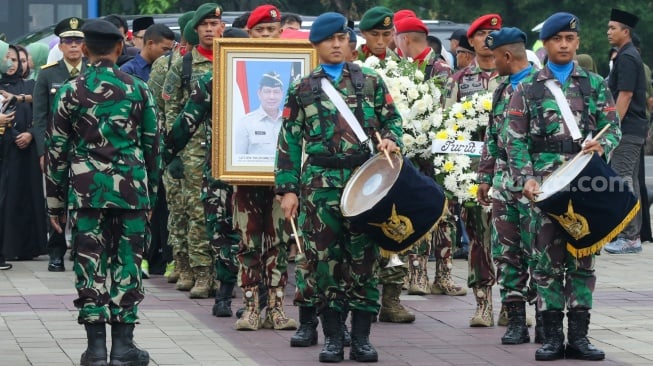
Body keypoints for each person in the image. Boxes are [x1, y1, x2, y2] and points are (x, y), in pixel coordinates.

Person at [276, 12, 402, 363]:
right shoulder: (302, 89)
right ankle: (333, 338)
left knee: (364, 259)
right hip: (319, 185)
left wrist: (392, 139)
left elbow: (393, 119)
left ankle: (361, 339)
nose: (335, 45)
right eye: (327, 40)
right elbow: (288, 142)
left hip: (365, 182)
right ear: (315, 45)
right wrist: (287, 190)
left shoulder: (371, 81)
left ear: (350, 42)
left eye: (340, 39)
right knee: (323, 263)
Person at [45, 19, 161, 366]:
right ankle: (123, 347)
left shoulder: (69, 90)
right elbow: (153, 146)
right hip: (131, 193)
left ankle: (96, 350)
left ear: (85, 48)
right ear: (117, 48)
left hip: (86, 193)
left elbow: (57, 151)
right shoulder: (138, 89)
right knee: (128, 264)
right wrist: (150, 194)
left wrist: (55, 203)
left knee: (90, 264)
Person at [505, 12, 620, 361]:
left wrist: (603, 145)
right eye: (558, 39)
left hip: (584, 181)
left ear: (578, 43)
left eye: (571, 39)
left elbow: (612, 127)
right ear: (548, 44)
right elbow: (515, 140)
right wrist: (526, 177)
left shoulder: (595, 84)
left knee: (583, 260)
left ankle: (580, 337)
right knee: (545, 261)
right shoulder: (527, 88)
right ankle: (552, 336)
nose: (565, 45)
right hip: (543, 187)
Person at [231, 4, 296, 332]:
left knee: (280, 244)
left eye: (272, 31)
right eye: (260, 31)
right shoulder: (244, 118)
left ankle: (277, 308)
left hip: (282, 185)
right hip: (246, 184)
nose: (267, 36)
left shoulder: (296, 83)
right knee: (249, 244)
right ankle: (251, 307)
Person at [393, 16, 465, 299]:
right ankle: (416, 273)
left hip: (439, 156)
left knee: (444, 215)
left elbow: (448, 112)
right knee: (413, 210)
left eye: (396, 37)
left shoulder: (440, 69)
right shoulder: (400, 68)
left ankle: (443, 275)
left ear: (405, 38)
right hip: (412, 154)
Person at [477, 27, 540, 345]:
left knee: (540, 252)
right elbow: (492, 135)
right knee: (507, 253)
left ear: (506, 55)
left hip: (534, 186)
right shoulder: (502, 88)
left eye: (492, 57)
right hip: (504, 182)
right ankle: (516, 320)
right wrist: (485, 176)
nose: (489, 63)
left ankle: (546, 318)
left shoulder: (540, 87)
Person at [443, 13, 503, 328]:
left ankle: (513, 302)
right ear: (473, 40)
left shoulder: (515, 78)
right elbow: (446, 130)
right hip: (472, 175)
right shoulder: (458, 80)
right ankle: (483, 303)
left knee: (512, 240)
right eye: (482, 35)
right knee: (479, 239)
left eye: (495, 34)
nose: (488, 41)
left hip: (509, 173)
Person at [355, 6, 413, 325]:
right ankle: (361, 296)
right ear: (363, 34)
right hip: (358, 161)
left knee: (395, 225)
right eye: (374, 34)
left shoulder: (406, 69)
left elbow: (398, 116)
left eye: (386, 34)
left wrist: (399, 137)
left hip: (393, 159)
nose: (381, 40)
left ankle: (391, 298)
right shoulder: (355, 67)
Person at [163, 3, 225, 298]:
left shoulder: (232, 59)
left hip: (228, 149)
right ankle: (201, 272)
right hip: (194, 149)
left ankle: (225, 273)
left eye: (215, 25)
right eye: (205, 26)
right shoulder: (184, 65)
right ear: (196, 30)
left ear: (222, 28)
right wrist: (172, 152)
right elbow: (171, 109)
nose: (211, 30)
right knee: (195, 212)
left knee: (225, 213)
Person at [33, 17, 86, 272]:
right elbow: (39, 118)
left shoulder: (93, 71)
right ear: (61, 45)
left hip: (87, 148)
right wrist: (43, 152)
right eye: (68, 41)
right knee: (56, 199)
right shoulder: (48, 73)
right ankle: (56, 251)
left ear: (84, 45)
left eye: (78, 41)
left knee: (84, 198)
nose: (73, 46)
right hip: (56, 149)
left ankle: (81, 247)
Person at [147, 10, 195, 284]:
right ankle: (180, 260)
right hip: (176, 146)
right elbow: (156, 108)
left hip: (209, 147)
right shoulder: (167, 65)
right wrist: (166, 149)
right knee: (177, 209)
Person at [604, 9, 648, 254]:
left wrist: (613, 126)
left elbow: (626, 94)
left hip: (628, 128)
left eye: (613, 28)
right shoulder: (625, 55)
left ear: (626, 32)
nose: (608, 32)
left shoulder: (628, 57)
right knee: (628, 180)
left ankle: (630, 237)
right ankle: (632, 236)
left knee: (621, 180)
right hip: (632, 128)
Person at [0, 43, 46, 262]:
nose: (12, 64)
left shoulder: (30, 86)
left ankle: (27, 246)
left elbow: (42, 114)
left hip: (27, 150)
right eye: (7, 59)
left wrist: (29, 134)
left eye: (16, 60)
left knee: (26, 196)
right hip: (6, 150)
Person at [233, 71, 283, 158]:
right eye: (267, 91)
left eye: (276, 92)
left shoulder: (291, 121)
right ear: (259, 94)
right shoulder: (245, 123)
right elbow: (237, 160)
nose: (272, 96)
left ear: (282, 94)